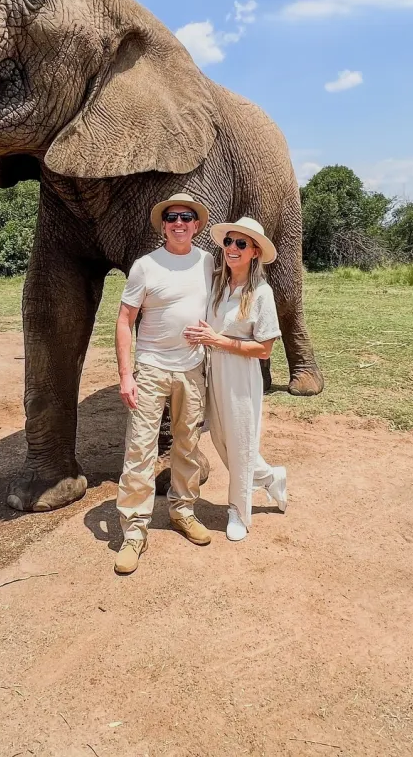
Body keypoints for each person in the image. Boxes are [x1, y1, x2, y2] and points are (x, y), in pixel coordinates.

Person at [113, 192, 215, 575]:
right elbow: (125, 320)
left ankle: (182, 511)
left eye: (186, 217)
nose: (179, 223)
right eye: (172, 217)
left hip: (192, 368)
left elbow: (224, 300)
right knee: (139, 449)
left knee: (187, 446)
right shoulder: (145, 266)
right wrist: (126, 374)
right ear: (163, 224)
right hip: (152, 368)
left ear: (197, 224)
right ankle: (134, 531)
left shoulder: (207, 262)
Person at [184, 217, 288, 542]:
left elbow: (265, 349)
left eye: (241, 244)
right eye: (229, 241)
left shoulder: (261, 294)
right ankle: (271, 477)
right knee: (220, 438)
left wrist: (220, 341)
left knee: (242, 443)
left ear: (254, 251)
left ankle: (238, 511)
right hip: (215, 370)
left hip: (242, 374)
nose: (232, 248)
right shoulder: (216, 285)